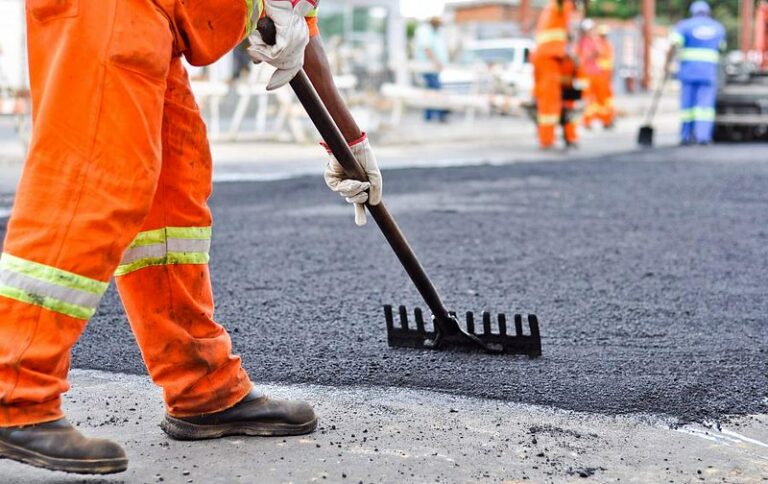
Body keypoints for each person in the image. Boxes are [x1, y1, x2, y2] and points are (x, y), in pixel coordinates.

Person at [0, 0, 382, 475]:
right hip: (112, 11)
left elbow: (301, 29)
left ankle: (202, 387)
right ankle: (13, 391)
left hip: (156, 23)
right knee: (93, 177)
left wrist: (349, 143)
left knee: (172, 196)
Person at [665, 0, 725, 145]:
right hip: (708, 73)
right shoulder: (718, 28)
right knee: (705, 107)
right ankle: (703, 137)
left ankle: (685, 136)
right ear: (708, 12)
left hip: (688, 72)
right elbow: (721, 48)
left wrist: (667, 64)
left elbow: (673, 45)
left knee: (687, 106)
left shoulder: (684, 26)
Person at [531, 0, 582, 149]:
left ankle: (569, 135)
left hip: (557, 57)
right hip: (549, 56)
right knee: (549, 100)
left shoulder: (559, 8)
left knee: (566, 98)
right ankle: (547, 139)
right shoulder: (559, 5)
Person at [414, 17, 451, 123]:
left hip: (433, 69)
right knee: (436, 90)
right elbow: (427, 48)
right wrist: (436, 62)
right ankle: (439, 115)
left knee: (431, 91)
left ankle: (429, 116)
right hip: (429, 68)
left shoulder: (434, 33)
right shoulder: (425, 31)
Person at [594, 24, 616, 129]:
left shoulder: (608, 45)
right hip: (600, 76)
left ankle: (608, 119)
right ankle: (605, 120)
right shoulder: (598, 45)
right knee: (600, 100)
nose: (604, 36)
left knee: (607, 100)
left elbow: (610, 61)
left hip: (606, 76)